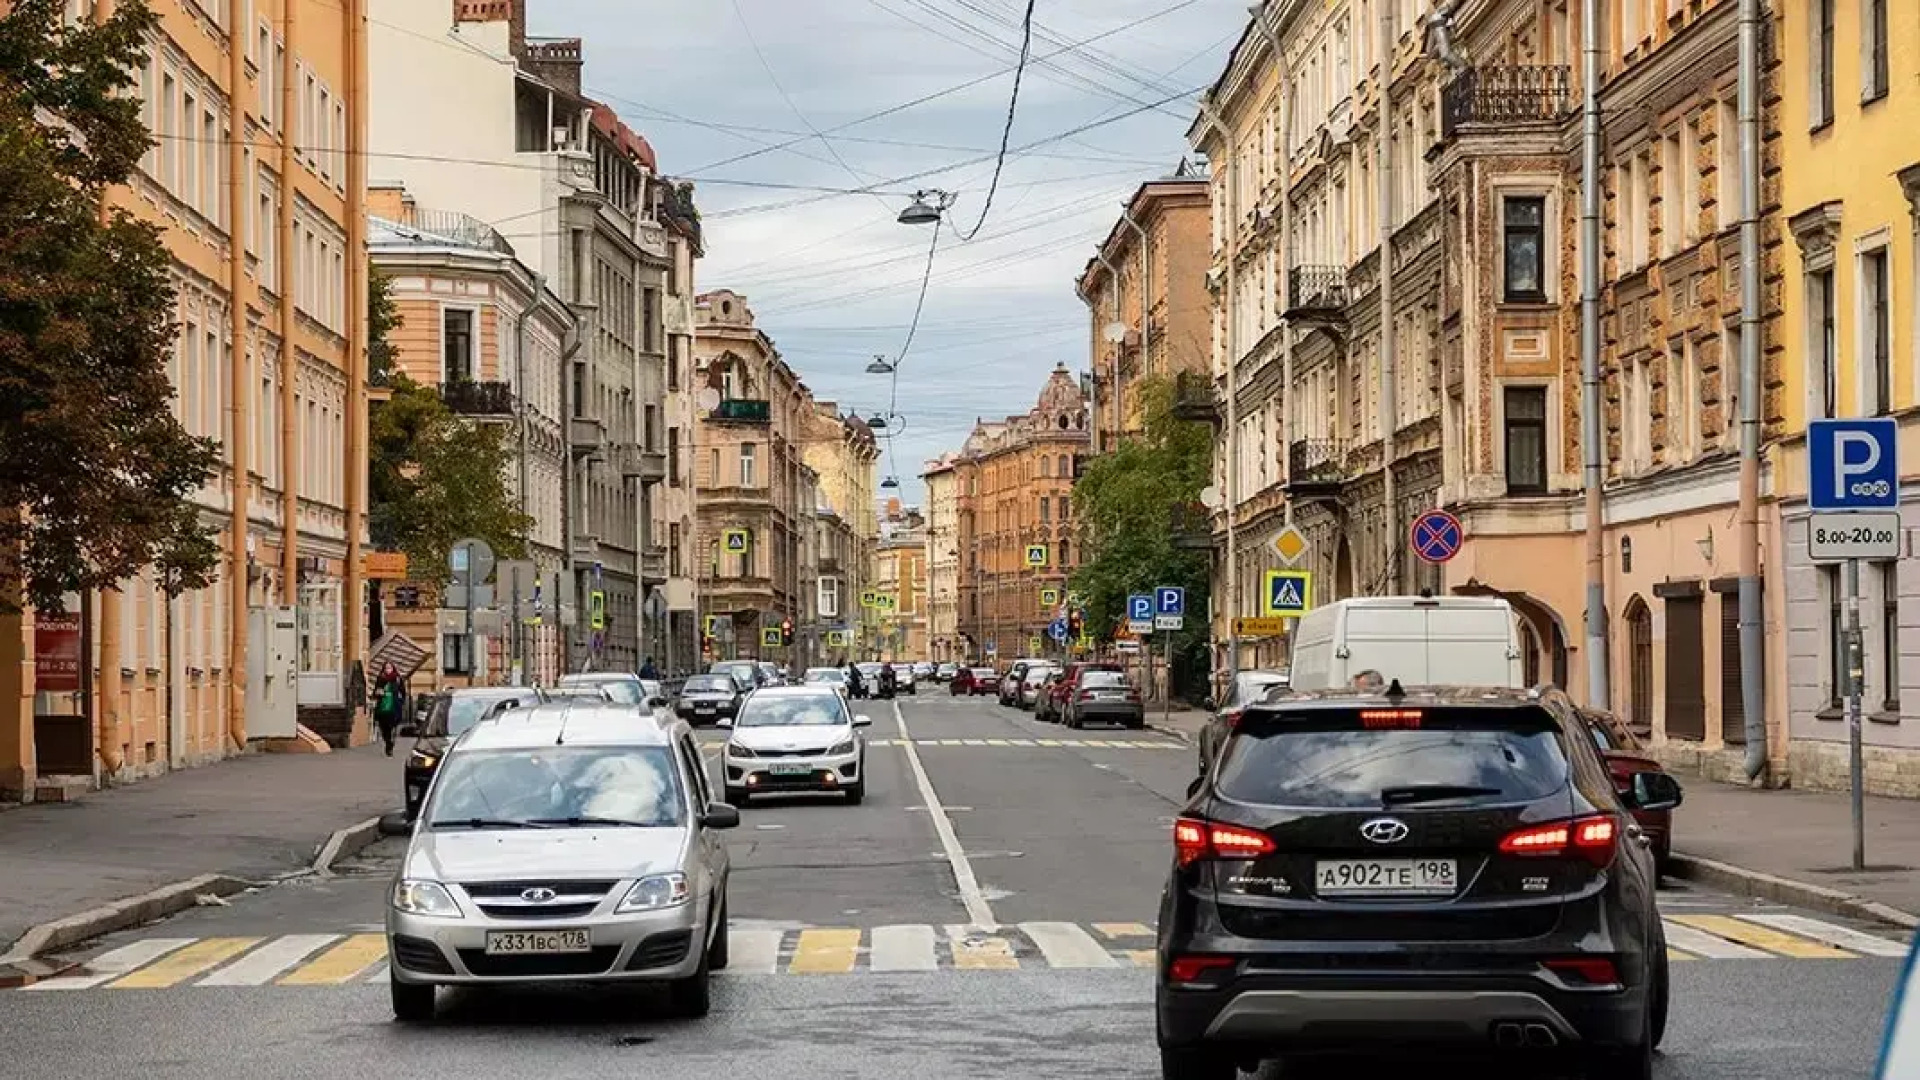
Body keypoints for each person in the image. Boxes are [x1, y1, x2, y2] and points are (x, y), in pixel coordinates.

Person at [372, 662, 408, 756]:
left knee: (392, 727)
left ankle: (389, 746)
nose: (388, 670)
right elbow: (375, 691)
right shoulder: (380, 678)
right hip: (382, 707)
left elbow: (403, 692)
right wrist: (377, 693)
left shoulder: (397, 678)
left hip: (393, 706)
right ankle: (388, 742)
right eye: (386, 668)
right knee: (384, 728)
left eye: (389, 668)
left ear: (393, 669)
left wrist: (401, 701)